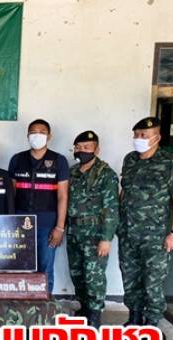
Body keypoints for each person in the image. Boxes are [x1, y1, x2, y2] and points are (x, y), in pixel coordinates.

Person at [118, 117, 173, 327]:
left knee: (152, 282)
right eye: (136, 135)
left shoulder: (171, 163)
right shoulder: (130, 159)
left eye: (144, 135)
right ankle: (134, 319)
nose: (138, 138)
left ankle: (151, 325)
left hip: (155, 237)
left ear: (157, 138)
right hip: (128, 233)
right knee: (130, 279)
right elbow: (125, 192)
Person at [8, 119, 69, 293]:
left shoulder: (58, 160)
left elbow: (63, 196)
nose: (37, 135)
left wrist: (60, 227)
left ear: (49, 136)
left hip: (47, 223)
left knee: (45, 267)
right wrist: (10, 222)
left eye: (42, 132)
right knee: (20, 265)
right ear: (27, 135)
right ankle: (22, 303)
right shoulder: (17, 159)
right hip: (20, 222)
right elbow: (11, 194)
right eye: (33, 132)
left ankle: (45, 303)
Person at [66, 131, 119, 328]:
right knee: (77, 273)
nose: (82, 151)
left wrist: (106, 238)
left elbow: (111, 208)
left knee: (94, 276)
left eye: (86, 147)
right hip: (74, 232)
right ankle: (84, 309)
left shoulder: (106, 174)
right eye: (78, 147)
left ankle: (95, 316)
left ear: (97, 149)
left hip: (95, 234)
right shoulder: (72, 172)